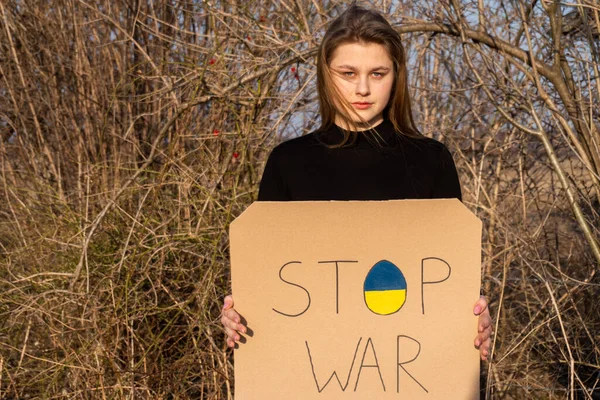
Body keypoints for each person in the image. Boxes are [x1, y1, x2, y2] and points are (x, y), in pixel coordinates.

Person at [221, 3, 492, 360]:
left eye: (377, 73)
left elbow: (445, 278)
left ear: (396, 76)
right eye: (348, 73)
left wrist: (470, 318)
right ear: (325, 73)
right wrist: (240, 313)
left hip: (409, 371)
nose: (362, 88)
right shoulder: (288, 162)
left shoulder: (431, 160)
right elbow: (271, 279)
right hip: (311, 371)